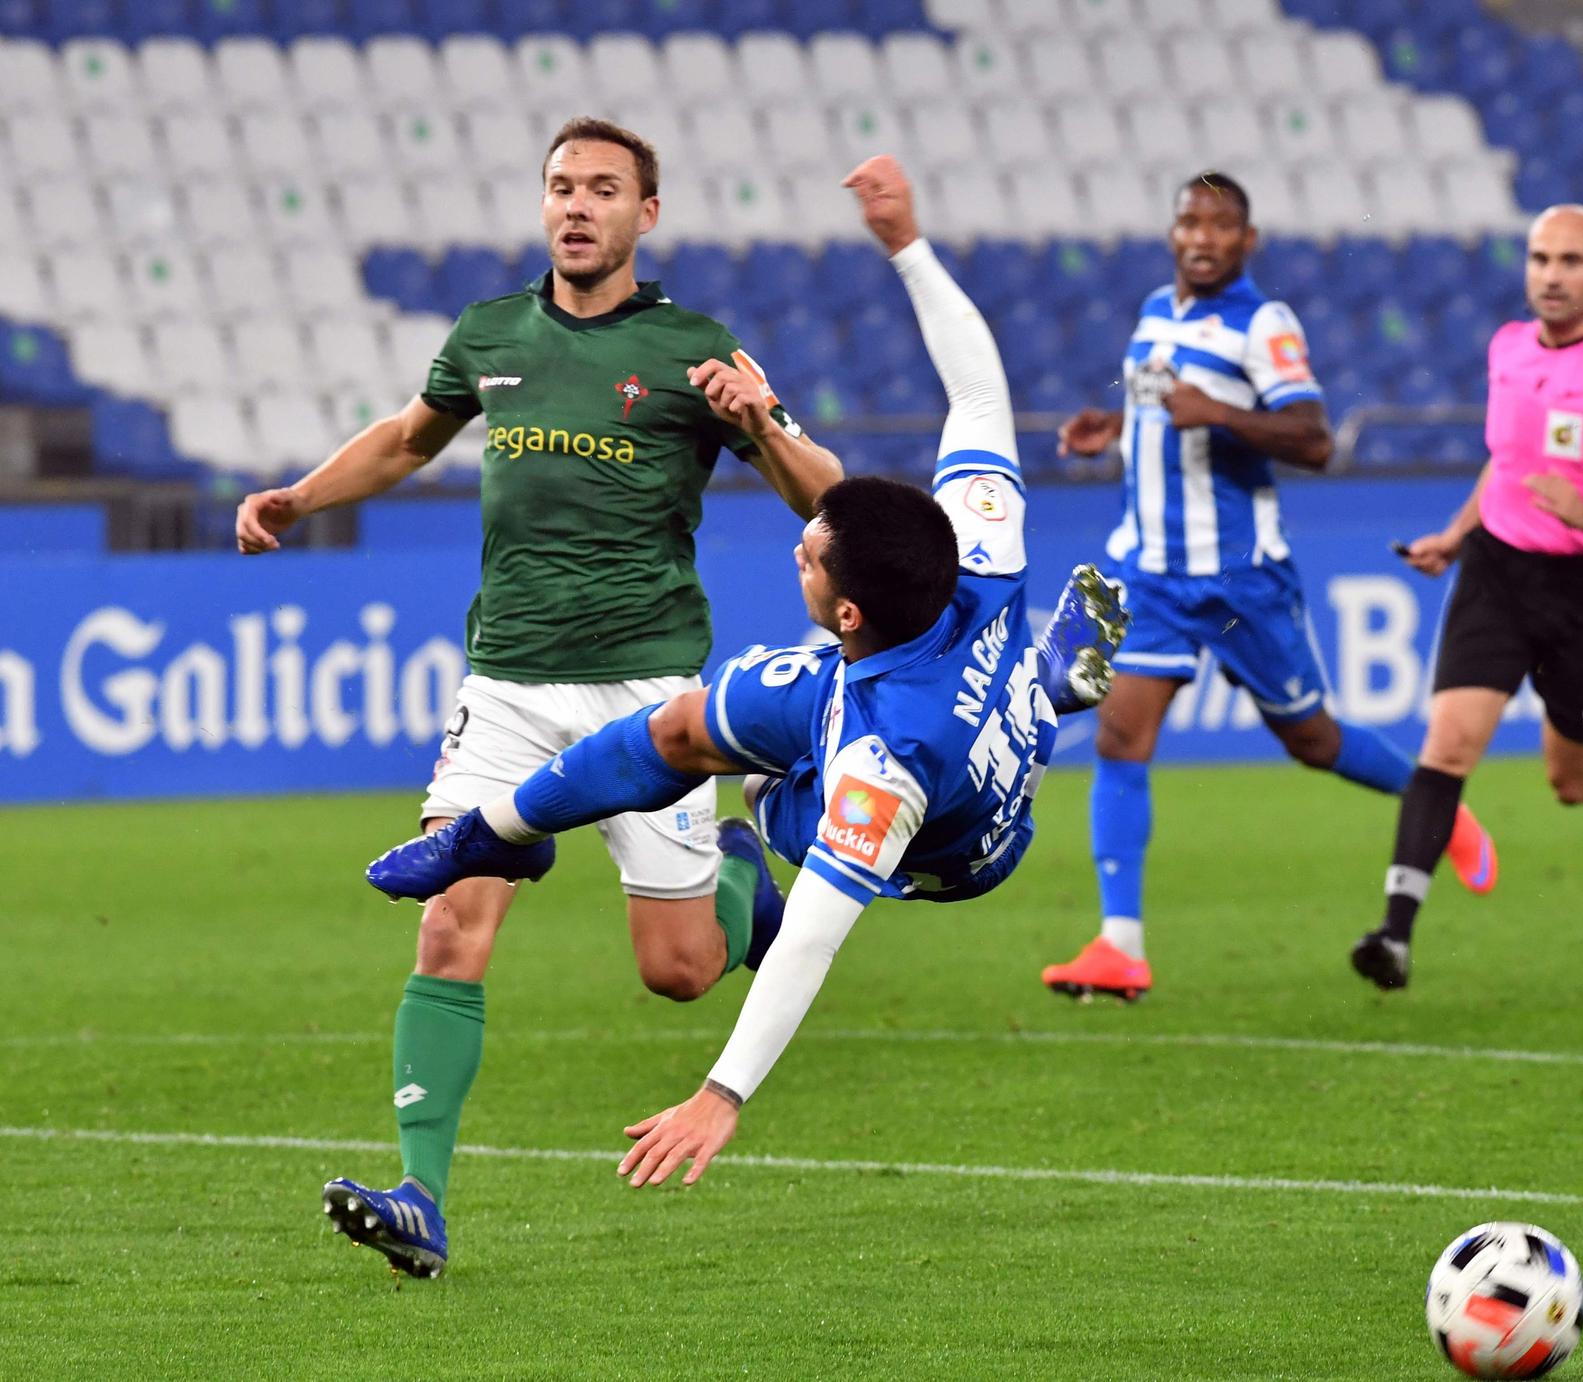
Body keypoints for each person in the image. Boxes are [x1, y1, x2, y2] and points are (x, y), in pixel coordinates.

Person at [335, 155, 1127, 1268]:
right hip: (891, 674)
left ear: (848, 610)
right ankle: (477, 883)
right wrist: (907, 244)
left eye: (811, 556)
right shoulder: (978, 534)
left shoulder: (880, 765)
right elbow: (981, 389)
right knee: (685, 730)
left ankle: (1039, 699)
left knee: (755, 823)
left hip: (953, 833)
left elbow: (811, 940)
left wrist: (722, 1091)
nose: (796, 542)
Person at [241, 118, 846, 1270]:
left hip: (648, 690)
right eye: (561, 186)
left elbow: (830, 506)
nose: (576, 205)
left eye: (603, 189)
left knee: (675, 974)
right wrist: (299, 497)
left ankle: (735, 876)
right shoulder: (488, 336)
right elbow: (408, 439)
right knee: (449, 918)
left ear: (644, 216)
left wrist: (757, 419)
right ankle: (420, 1193)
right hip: (509, 681)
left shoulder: (693, 348)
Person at [1038, 171, 1497, 1004]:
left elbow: (1314, 440)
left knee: (1312, 741)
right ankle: (1120, 945)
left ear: (1247, 241)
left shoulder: (1264, 324)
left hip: (1241, 578)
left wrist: (1218, 413)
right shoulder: (1155, 312)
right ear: (1172, 232)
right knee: (1118, 737)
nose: (1202, 237)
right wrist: (1113, 424)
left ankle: (1440, 808)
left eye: (1221, 224)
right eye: (1189, 221)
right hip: (1149, 569)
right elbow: (1158, 401)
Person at [1349, 204, 1583, 992]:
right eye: (1541, 258)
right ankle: (1395, 933)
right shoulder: (1507, 349)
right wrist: (1454, 533)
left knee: (1570, 780)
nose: (1551, 275)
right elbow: (1506, 465)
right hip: (1498, 572)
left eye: (1571, 261)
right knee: (1447, 746)